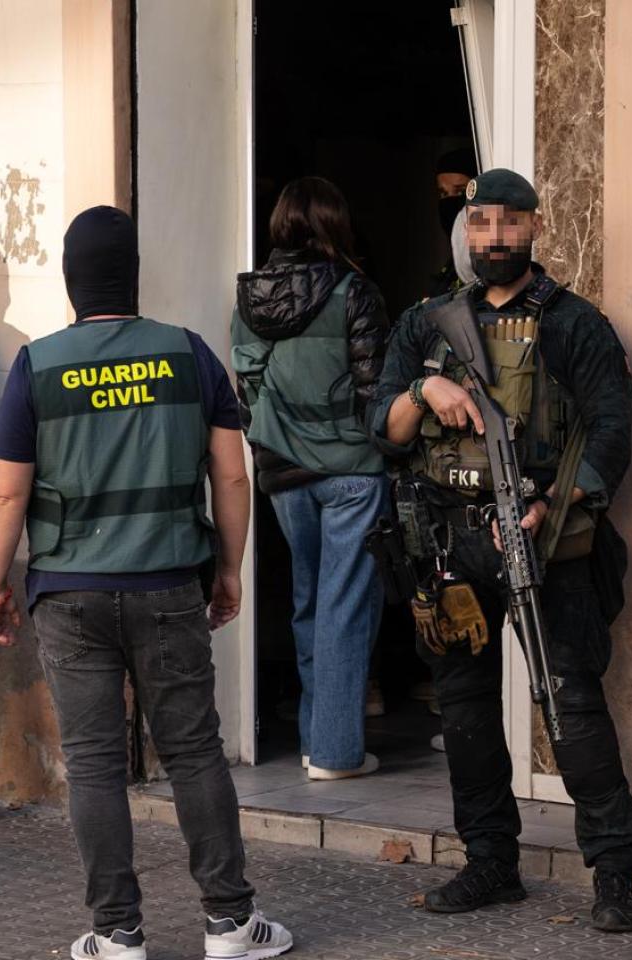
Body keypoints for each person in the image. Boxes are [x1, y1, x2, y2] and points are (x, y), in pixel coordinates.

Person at [0, 206, 294, 960]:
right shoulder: (188, 354)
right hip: (167, 584)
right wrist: (229, 570)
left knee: (94, 763)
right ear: (134, 275)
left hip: (69, 593)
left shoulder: (38, 365)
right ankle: (230, 924)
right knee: (193, 752)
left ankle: (117, 933)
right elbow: (232, 475)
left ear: (70, 280)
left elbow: (5, 493)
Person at [365, 168, 632, 932]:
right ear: (466, 228)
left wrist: (553, 504)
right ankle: (490, 862)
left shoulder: (573, 324)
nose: (494, 237)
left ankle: (614, 871)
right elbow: (381, 428)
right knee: (464, 709)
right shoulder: (426, 323)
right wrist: (423, 393)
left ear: (535, 227)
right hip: (449, 541)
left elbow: (612, 431)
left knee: (570, 702)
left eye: (509, 222)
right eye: (481, 222)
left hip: (543, 543)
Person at [231, 177, 390, 780]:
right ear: (335, 223)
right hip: (352, 473)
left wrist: (273, 444)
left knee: (310, 603)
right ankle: (335, 752)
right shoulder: (355, 291)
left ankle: (313, 740)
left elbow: (248, 390)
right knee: (346, 607)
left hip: (285, 476)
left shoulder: (250, 298)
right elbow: (376, 391)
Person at [425, 147, 478, 298]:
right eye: (443, 193)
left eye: (461, 191)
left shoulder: (489, 264)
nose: (449, 201)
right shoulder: (450, 269)